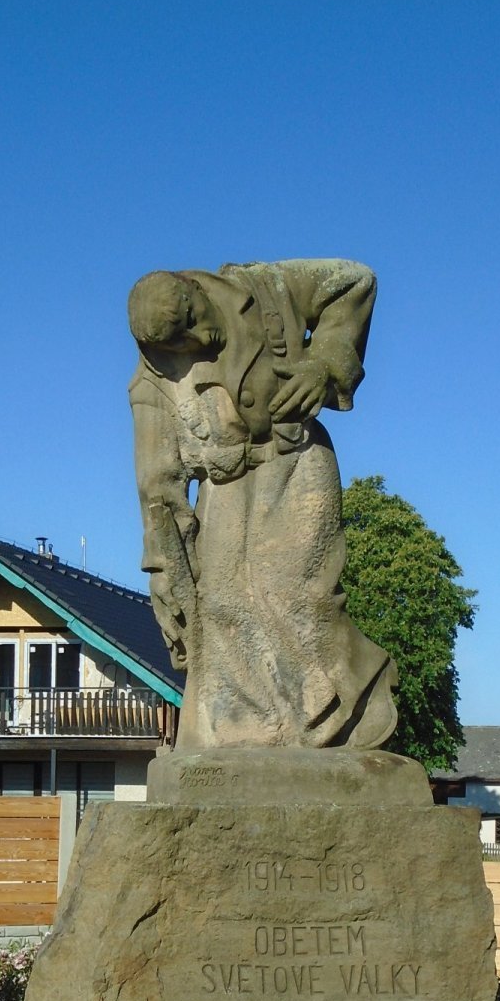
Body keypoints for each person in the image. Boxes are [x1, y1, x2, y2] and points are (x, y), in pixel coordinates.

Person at [127, 258, 397, 751]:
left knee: (297, 596)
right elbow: (158, 487)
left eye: (194, 321)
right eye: (179, 342)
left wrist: (325, 360)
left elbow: (354, 282)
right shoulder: (152, 379)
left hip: (295, 463)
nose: (197, 340)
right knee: (223, 604)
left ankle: (344, 718)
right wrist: (163, 572)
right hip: (225, 488)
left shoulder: (263, 288)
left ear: (194, 290)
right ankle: (247, 741)